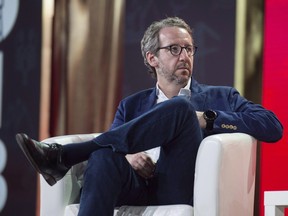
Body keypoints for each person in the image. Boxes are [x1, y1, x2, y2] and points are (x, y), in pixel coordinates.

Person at [16, 17, 283, 216]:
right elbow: (114, 144)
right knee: (102, 155)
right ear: (152, 58)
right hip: (137, 185)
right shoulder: (131, 105)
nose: (185, 56)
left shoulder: (221, 96)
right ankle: (72, 156)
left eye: (189, 49)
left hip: (179, 185)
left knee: (182, 108)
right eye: (175, 49)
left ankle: (67, 155)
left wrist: (209, 119)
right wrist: (128, 157)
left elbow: (273, 126)